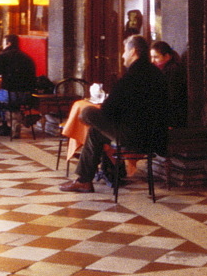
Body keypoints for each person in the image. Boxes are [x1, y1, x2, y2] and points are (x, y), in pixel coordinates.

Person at [60, 35, 168, 193]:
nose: (123, 55)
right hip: (156, 136)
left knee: (88, 112)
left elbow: (108, 111)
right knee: (95, 132)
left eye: (125, 51)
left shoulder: (131, 77)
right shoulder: (156, 73)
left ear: (133, 52)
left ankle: (86, 178)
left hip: (134, 136)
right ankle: (84, 180)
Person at [150, 40, 188, 128]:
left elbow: (173, 98)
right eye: (151, 57)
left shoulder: (173, 72)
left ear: (167, 56)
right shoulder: (163, 71)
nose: (152, 61)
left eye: (156, 57)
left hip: (173, 121)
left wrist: (170, 123)